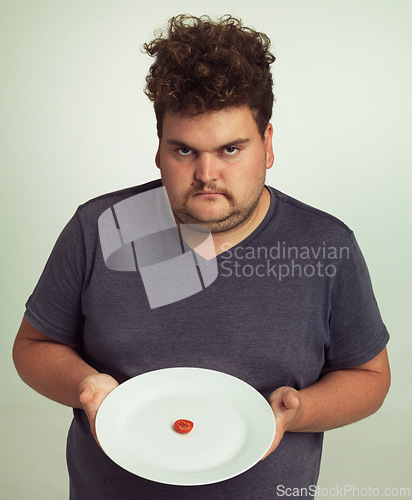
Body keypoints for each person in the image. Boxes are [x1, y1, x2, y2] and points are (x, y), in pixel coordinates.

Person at [13, 14, 390, 500]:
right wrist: (86, 385)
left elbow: (370, 376)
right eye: (184, 150)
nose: (206, 173)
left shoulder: (325, 244)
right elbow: (33, 346)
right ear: (159, 150)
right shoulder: (100, 228)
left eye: (231, 148)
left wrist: (302, 409)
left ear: (268, 144)